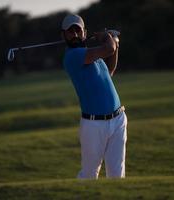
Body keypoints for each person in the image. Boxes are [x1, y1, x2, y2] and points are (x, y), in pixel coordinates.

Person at [61, 14, 128, 179]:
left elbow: (109, 71)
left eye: (78, 31)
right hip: (93, 125)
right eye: (70, 32)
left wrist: (115, 45)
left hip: (118, 119)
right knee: (89, 175)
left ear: (84, 32)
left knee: (117, 175)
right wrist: (107, 37)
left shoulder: (91, 56)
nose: (75, 35)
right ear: (63, 35)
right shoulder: (73, 56)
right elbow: (108, 49)